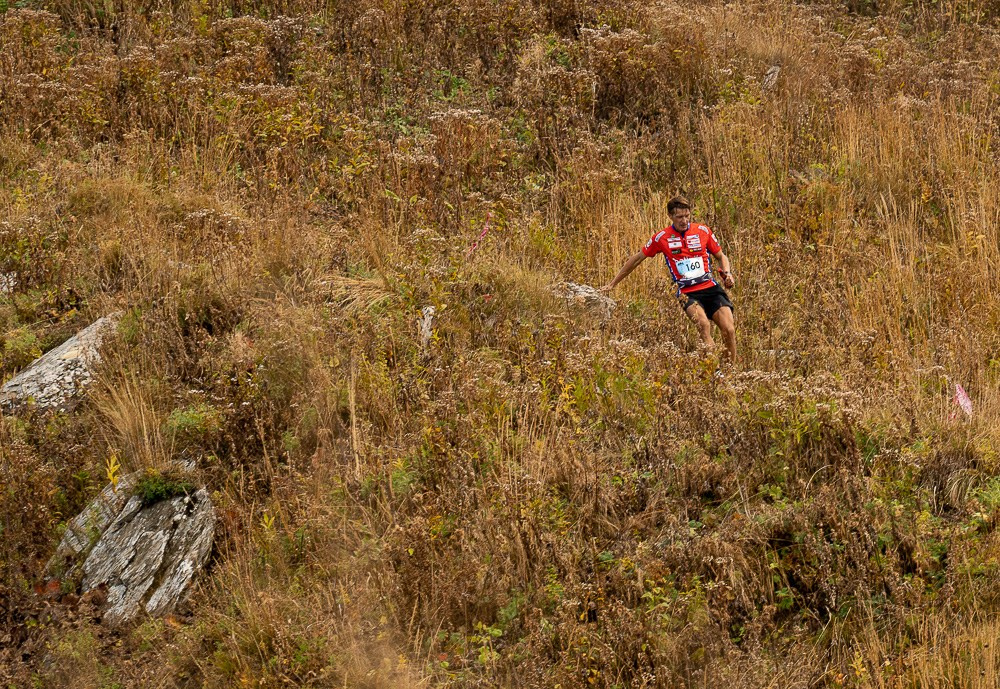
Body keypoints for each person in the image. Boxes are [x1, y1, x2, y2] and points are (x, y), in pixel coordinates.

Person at [601, 196, 737, 361]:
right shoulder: (662, 237)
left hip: (710, 287)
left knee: (728, 330)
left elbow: (721, 256)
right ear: (670, 216)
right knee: (704, 325)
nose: (684, 220)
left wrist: (728, 273)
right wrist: (613, 283)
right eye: (680, 217)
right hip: (687, 293)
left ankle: (730, 370)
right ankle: (714, 372)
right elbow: (636, 259)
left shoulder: (703, 230)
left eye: (687, 216)